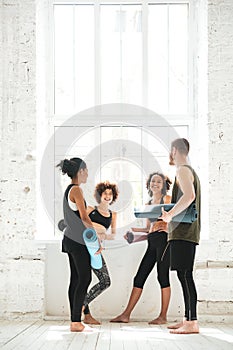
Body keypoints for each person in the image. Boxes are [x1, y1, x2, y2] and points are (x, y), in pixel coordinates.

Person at [110, 172, 172, 325]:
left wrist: (166, 227)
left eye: (158, 181)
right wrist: (132, 232)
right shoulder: (149, 203)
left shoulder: (167, 199)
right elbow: (147, 228)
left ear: (164, 185)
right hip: (151, 242)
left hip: (164, 242)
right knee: (139, 277)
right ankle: (126, 315)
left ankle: (163, 316)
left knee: (162, 277)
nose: (155, 183)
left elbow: (174, 221)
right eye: (153, 181)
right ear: (149, 184)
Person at [160, 138, 201, 334]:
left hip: (184, 233)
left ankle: (192, 322)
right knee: (184, 275)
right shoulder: (188, 170)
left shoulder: (183, 170)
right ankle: (187, 318)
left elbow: (189, 196)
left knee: (185, 275)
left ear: (174, 150)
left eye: (170, 151)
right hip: (184, 233)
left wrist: (169, 215)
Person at [57, 157, 102, 332]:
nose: (88, 174)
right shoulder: (76, 190)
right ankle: (75, 321)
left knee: (76, 279)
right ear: (80, 171)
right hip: (77, 241)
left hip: (71, 239)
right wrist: (96, 238)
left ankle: (75, 320)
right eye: (86, 170)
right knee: (84, 278)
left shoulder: (70, 189)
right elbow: (84, 217)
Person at [83, 181, 119, 325]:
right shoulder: (91, 209)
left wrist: (102, 234)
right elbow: (81, 224)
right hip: (84, 246)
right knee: (84, 281)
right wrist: (97, 230)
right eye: (105, 193)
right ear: (100, 195)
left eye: (110, 194)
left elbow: (112, 235)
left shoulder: (113, 214)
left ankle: (82, 305)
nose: (108, 196)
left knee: (105, 281)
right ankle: (86, 315)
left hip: (97, 249)